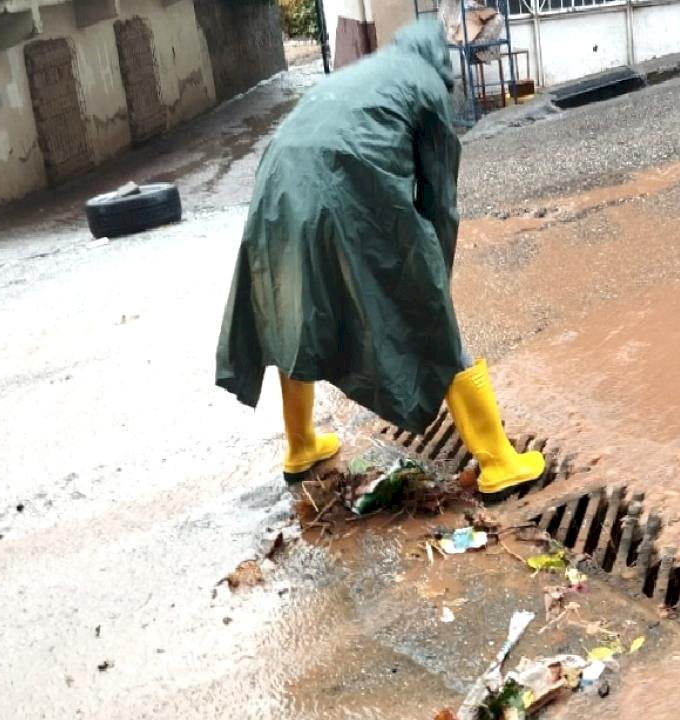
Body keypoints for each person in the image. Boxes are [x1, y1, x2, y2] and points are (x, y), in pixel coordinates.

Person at [214, 19, 543, 496]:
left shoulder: (367, 69)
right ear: (441, 60)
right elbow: (440, 203)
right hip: (341, 180)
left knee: (292, 307)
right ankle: (498, 462)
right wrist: (434, 285)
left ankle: (301, 445)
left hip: (275, 187)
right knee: (430, 316)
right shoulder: (429, 85)